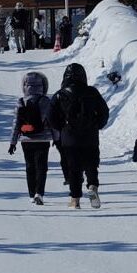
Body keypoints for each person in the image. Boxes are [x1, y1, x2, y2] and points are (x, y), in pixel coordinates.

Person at [49, 63, 110, 208]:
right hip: (90, 136)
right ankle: (92, 186)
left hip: (69, 138)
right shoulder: (92, 92)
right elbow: (104, 112)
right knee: (91, 165)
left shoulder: (60, 94)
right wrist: (97, 125)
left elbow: (51, 117)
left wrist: (62, 128)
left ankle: (75, 200)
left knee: (74, 168)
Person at [8, 71, 52, 203]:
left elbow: (16, 123)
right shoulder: (46, 101)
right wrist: (57, 138)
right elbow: (53, 122)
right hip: (43, 139)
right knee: (42, 167)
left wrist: (13, 142)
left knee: (30, 166)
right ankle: (40, 193)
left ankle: (32, 193)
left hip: (26, 139)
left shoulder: (21, 101)